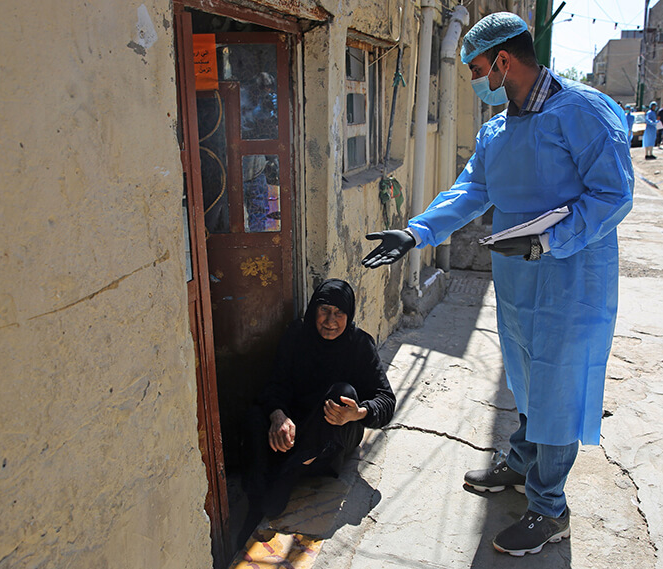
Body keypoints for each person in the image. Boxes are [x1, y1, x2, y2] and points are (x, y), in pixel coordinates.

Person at [360, 12, 633, 557]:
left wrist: (548, 242)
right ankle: (523, 462)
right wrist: (416, 233)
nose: (474, 79)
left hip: (571, 279)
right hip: (516, 281)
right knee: (527, 378)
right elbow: (472, 191)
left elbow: (612, 196)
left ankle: (549, 509)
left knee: (556, 388)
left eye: (478, 68)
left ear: (504, 61)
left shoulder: (582, 112)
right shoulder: (498, 128)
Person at [239, 279, 396, 546]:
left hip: (332, 442)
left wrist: (358, 413)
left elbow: (386, 400)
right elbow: (276, 383)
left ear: (349, 315)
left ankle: (289, 472)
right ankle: (257, 497)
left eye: (339, 313)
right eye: (324, 310)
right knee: (256, 415)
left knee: (342, 391)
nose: (330, 321)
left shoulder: (359, 344)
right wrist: (279, 414)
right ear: (313, 310)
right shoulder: (297, 335)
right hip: (297, 428)